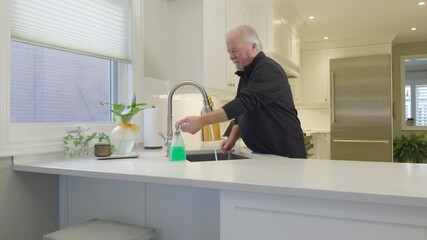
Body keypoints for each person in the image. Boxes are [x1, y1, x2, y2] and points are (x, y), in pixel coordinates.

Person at [177, 25, 306, 158]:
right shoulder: (246, 73)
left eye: (235, 50)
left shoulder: (268, 69)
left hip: (285, 155)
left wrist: (201, 121)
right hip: (267, 155)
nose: (231, 56)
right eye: (229, 52)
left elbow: (243, 103)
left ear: (254, 47)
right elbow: (241, 113)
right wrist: (232, 139)